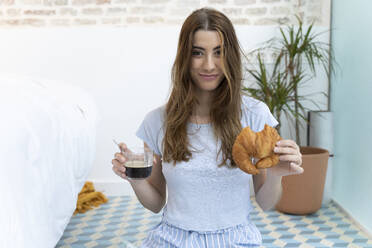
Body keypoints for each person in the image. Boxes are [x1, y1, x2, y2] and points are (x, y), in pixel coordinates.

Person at [111, 7, 303, 248]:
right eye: (198, 53)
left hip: (237, 240)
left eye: (218, 52)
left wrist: (276, 175)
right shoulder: (157, 121)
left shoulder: (254, 115)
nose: (209, 65)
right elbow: (156, 203)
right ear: (185, 56)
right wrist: (135, 178)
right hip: (173, 240)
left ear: (230, 55)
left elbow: (265, 202)